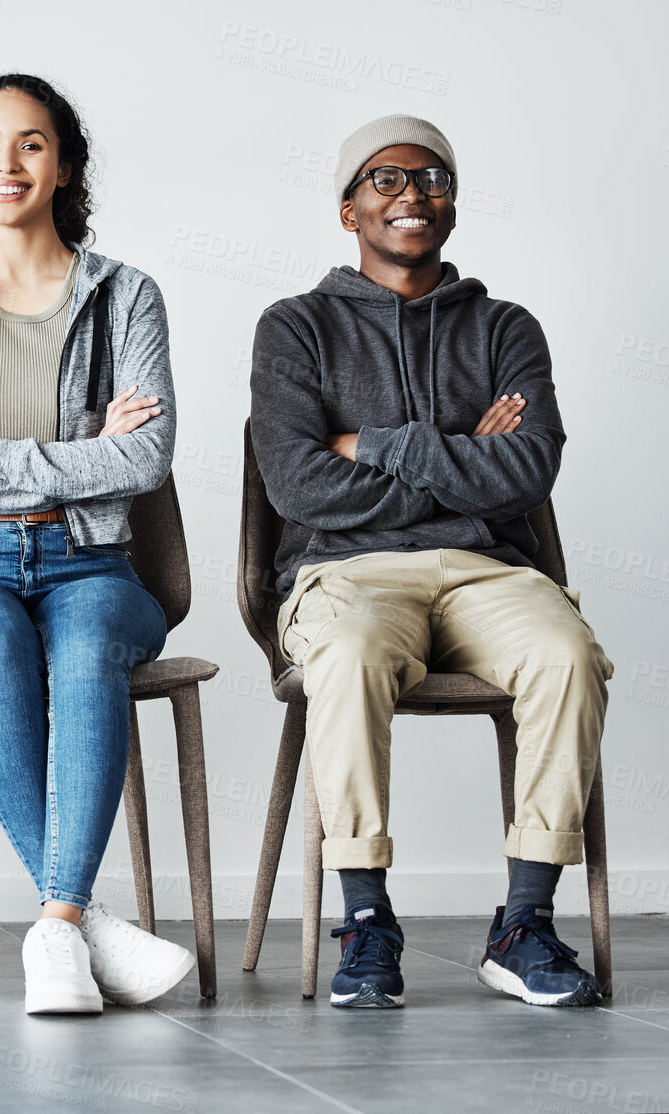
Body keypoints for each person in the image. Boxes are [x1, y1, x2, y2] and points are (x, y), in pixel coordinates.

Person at [251, 114, 612, 1008]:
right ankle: (367, 922)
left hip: (489, 572)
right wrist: (460, 458)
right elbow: (298, 488)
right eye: (385, 179)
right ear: (348, 211)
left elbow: (527, 470)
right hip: (346, 576)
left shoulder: (503, 328)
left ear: (451, 204)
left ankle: (524, 922)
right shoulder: (294, 328)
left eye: (431, 179)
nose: (411, 193)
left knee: (568, 657)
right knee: (348, 658)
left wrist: (371, 442)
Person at [0, 73, 194, 1015]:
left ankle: (56, 926)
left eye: (29, 143)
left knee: (90, 647)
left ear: (62, 166)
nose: (4, 162)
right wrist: (76, 453)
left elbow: (143, 457)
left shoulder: (126, 296)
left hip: (92, 561)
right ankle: (79, 926)